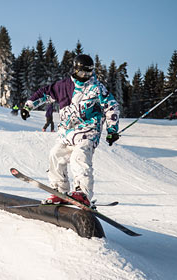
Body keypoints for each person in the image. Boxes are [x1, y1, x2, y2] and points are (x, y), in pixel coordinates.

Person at [21, 54, 120, 206]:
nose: (85, 76)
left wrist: (112, 130)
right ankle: (59, 190)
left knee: (78, 157)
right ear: (75, 70)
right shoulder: (63, 86)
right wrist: (28, 106)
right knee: (55, 155)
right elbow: (44, 93)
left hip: (88, 131)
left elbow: (111, 106)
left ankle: (83, 193)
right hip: (67, 133)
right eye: (82, 73)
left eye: (88, 73)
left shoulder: (96, 88)